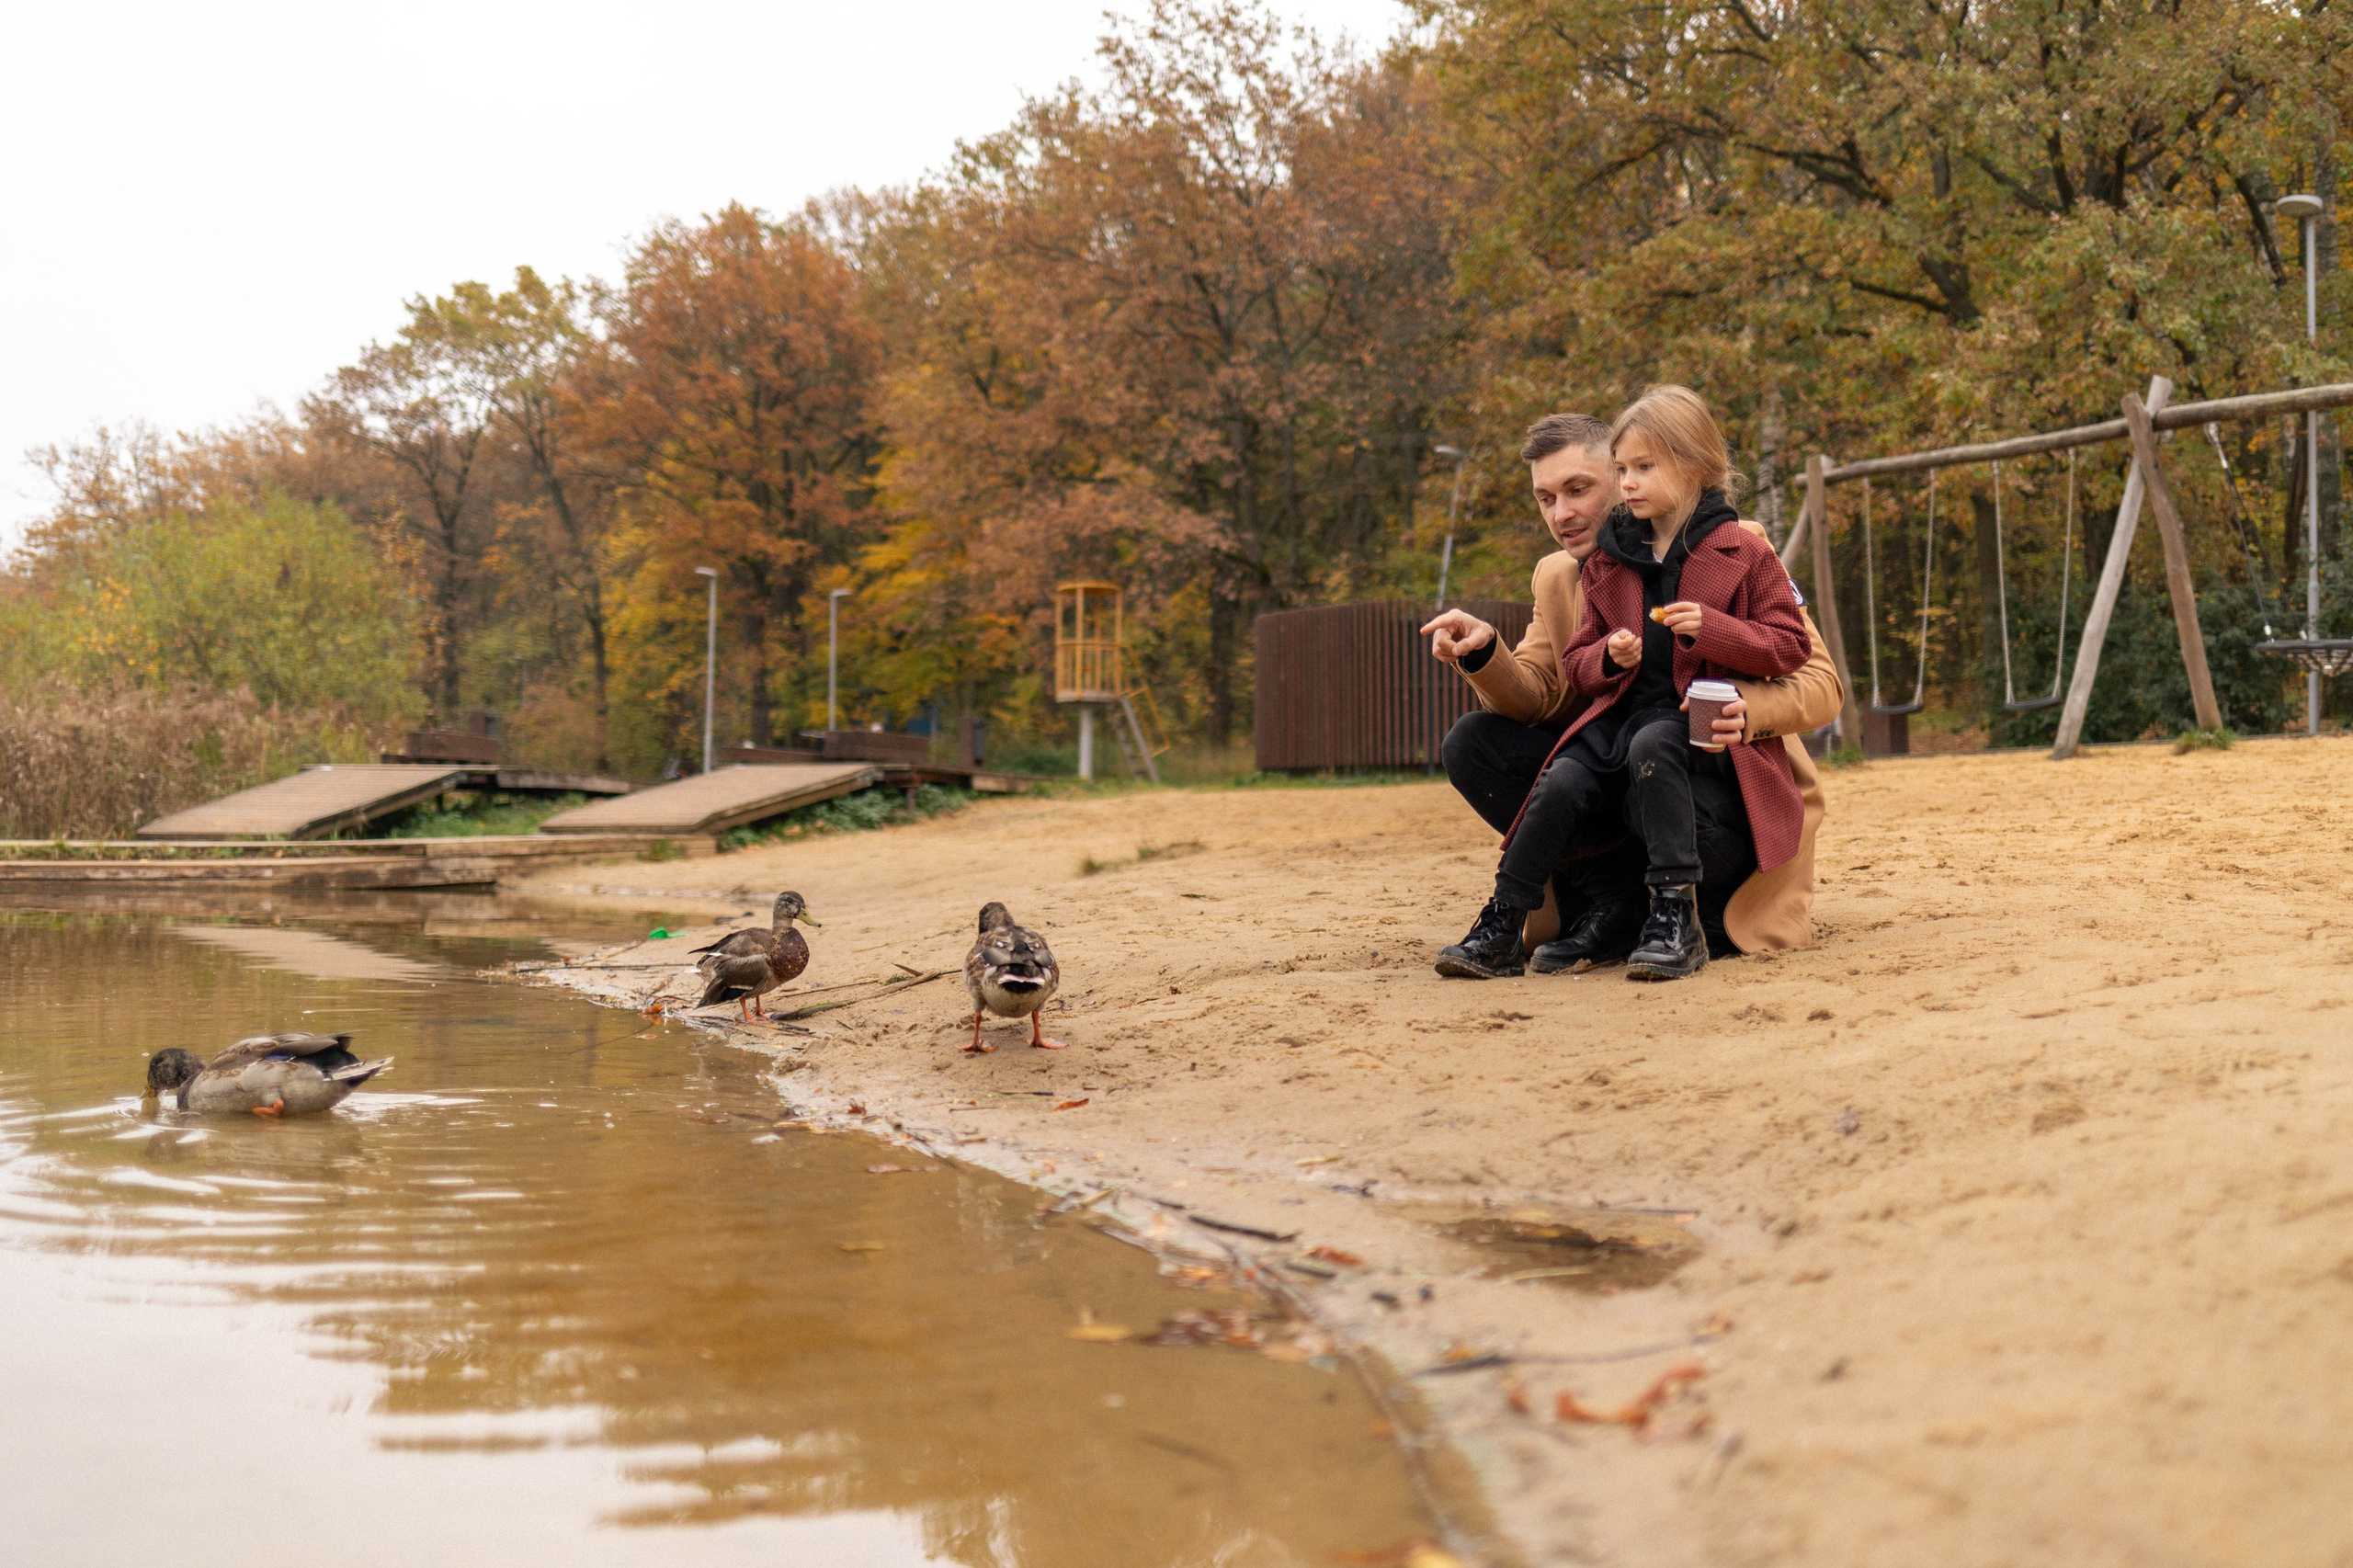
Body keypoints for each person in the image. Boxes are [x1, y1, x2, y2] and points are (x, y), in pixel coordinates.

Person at [1426, 412, 1842, 977]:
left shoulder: (1738, 546)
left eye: (1579, 489)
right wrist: (1483, 653)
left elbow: (1819, 681)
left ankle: (1695, 910)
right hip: (1616, 765)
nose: (1561, 513)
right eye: (1545, 498)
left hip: (1709, 781)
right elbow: (1542, 696)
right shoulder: (1563, 574)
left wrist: (1746, 711)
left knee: (1655, 750)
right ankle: (1611, 900)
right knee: (1476, 743)